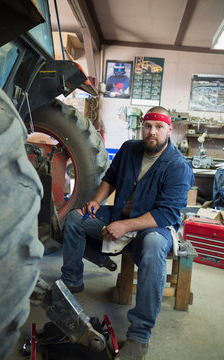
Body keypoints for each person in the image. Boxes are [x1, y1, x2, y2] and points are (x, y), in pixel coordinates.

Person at [60, 106, 194, 360]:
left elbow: (166, 213)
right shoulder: (129, 148)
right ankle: (72, 282)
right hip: (119, 215)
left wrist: (125, 226)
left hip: (154, 227)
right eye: (147, 126)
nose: (151, 132)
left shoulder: (178, 166)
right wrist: (96, 201)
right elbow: (109, 177)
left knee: (154, 246)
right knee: (75, 218)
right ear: (141, 127)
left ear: (169, 130)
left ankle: (139, 336)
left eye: (158, 127)